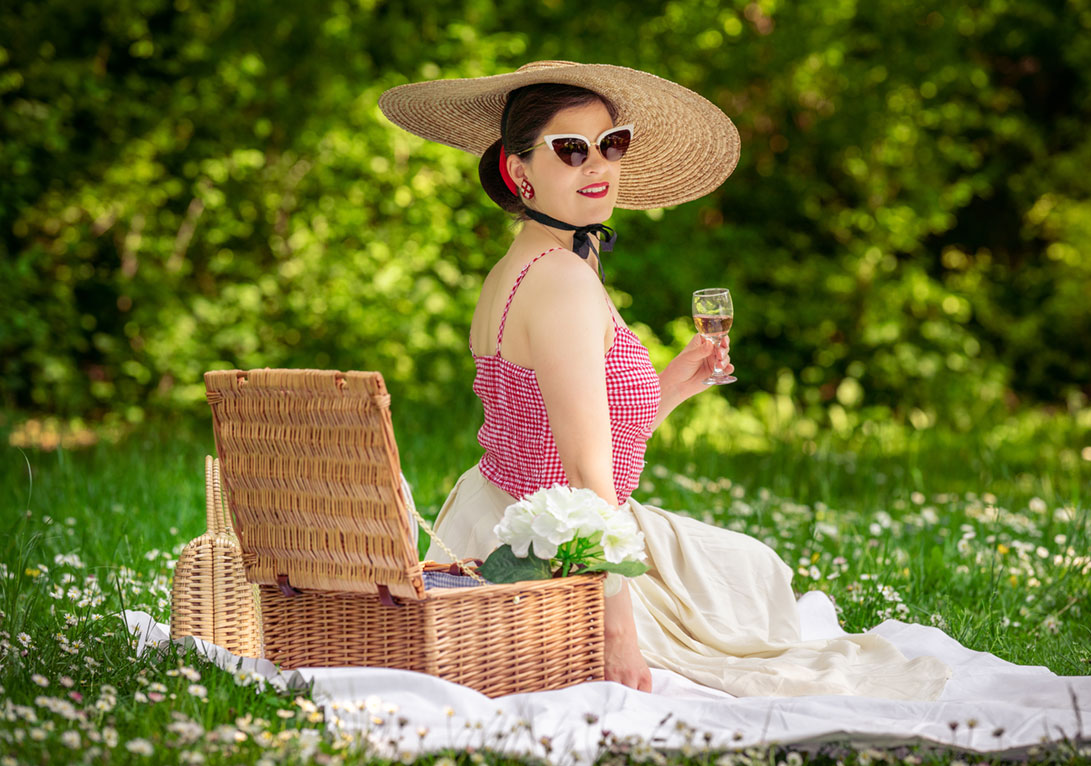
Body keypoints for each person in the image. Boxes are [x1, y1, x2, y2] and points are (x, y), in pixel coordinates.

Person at [378, 61, 952, 699]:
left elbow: (569, 430)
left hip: (500, 515)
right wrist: (616, 634)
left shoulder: (528, 263)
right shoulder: (563, 282)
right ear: (520, 172)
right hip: (557, 550)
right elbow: (585, 474)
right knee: (754, 583)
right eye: (570, 150)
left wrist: (675, 382)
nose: (597, 165)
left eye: (610, 143)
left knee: (749, 569)